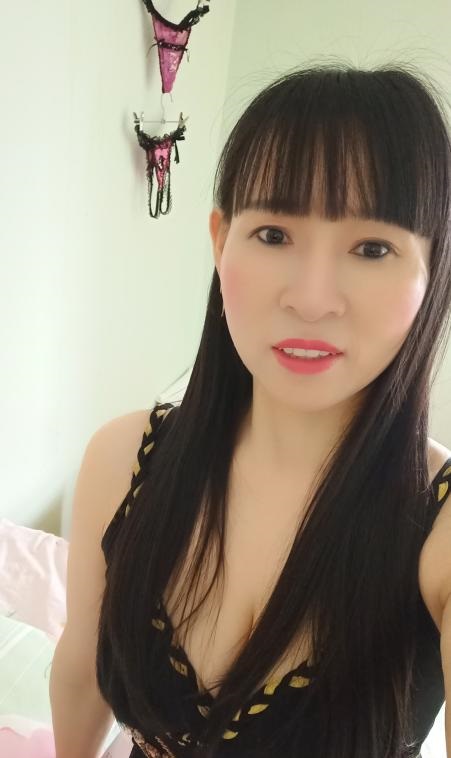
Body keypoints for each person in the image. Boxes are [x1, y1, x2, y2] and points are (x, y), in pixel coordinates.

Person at [50, 62, 451, 758]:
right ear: (219, 240)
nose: (311, 299)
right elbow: (82, 673)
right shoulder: (123, 460)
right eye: (273, 235)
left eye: (372, 248)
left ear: (434, 269)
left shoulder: (436, 525)